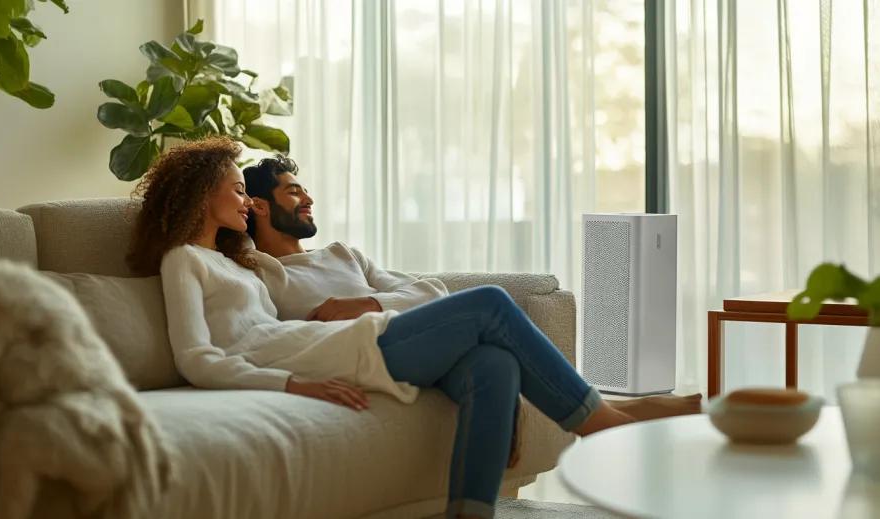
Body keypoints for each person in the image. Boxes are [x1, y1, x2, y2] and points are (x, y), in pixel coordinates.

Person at [240, 155, 700, 518]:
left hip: (400, 338)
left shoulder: (344, 255)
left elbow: (428, 289)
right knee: (490, 303)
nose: (308, 199)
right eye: (293, 190)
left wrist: (372, 303)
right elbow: (261, 334)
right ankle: (599, 418)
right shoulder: (258, 270)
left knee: (493, 365)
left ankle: (471, 513)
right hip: (357, 354)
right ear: (259, 206)